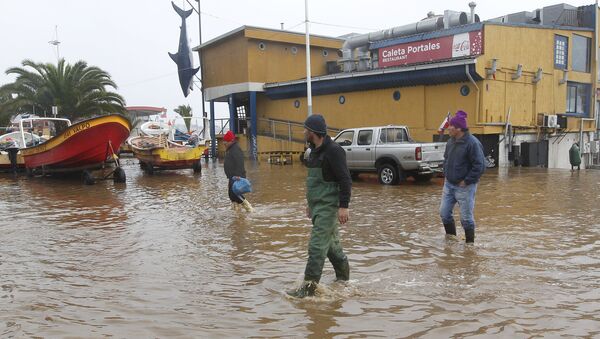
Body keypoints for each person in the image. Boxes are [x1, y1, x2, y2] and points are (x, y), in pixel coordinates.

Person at [287, 114, 352, 298]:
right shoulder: (313, 151)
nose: (303, 132)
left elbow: (345, 179)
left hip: (329, 209)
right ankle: (344, 281)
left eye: (305, 129)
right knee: (332, 248)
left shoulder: (334, 151)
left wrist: (343, 206)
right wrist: (310, 205)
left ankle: (308, 289)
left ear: (313, 132)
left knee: (316, 247)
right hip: (317, 208)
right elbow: (313, 183)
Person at [439, 110, 485, 244]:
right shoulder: (450, 142)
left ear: (458, 128)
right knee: (444, 213)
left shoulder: (472, 143)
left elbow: (480, 166)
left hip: (465, 187)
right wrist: (446, 174)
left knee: (466, 219)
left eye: (450, 126)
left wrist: (467, 181)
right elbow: (446, 159)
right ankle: (451, 240)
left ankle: (470, 246)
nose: (448, 128)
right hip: (449, 185)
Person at [223, 130, 252, 212]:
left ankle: (249, 208)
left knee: (234, 194)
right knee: (231, 195)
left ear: (231, 141)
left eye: (226, 141)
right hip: (231, 176)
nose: (224, 143)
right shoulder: (230, 149)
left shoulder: (235, 149)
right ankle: (236, 212)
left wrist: (238, 176)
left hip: (237, 176)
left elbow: (239, 163)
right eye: (224, 141)